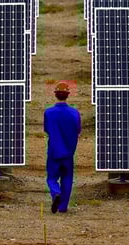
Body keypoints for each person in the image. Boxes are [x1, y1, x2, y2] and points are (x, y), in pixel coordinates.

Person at [44, 82, 81, 214]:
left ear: (56, 95)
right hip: (68, 152)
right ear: (67, 95)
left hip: (54, 151)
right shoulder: (74, 113)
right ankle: (63, 207)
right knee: (67, 178)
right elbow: (77, 130)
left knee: (52, 178)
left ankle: (56, 193)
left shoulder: (48, 112)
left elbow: (47, 129)